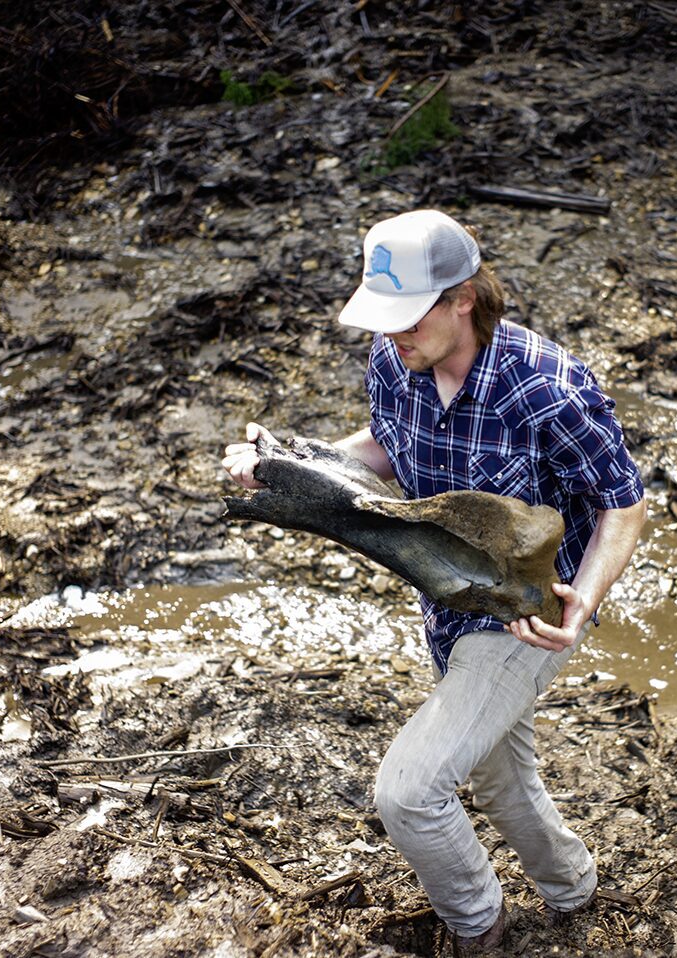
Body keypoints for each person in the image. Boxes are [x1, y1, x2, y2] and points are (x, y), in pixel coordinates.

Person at [222, 209, 646, 952]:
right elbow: (386, 447)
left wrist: (583, 605)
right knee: (497, 779)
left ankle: (481, 929)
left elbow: (623, 502)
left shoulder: (547, 387)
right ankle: (575, 890)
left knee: (410, 793)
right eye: (382, 320)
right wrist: (287, 462)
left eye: (408, 318)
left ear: (464, 298)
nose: (393, 336)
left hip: (525, 617)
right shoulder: (396, 362)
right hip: (446, 604)